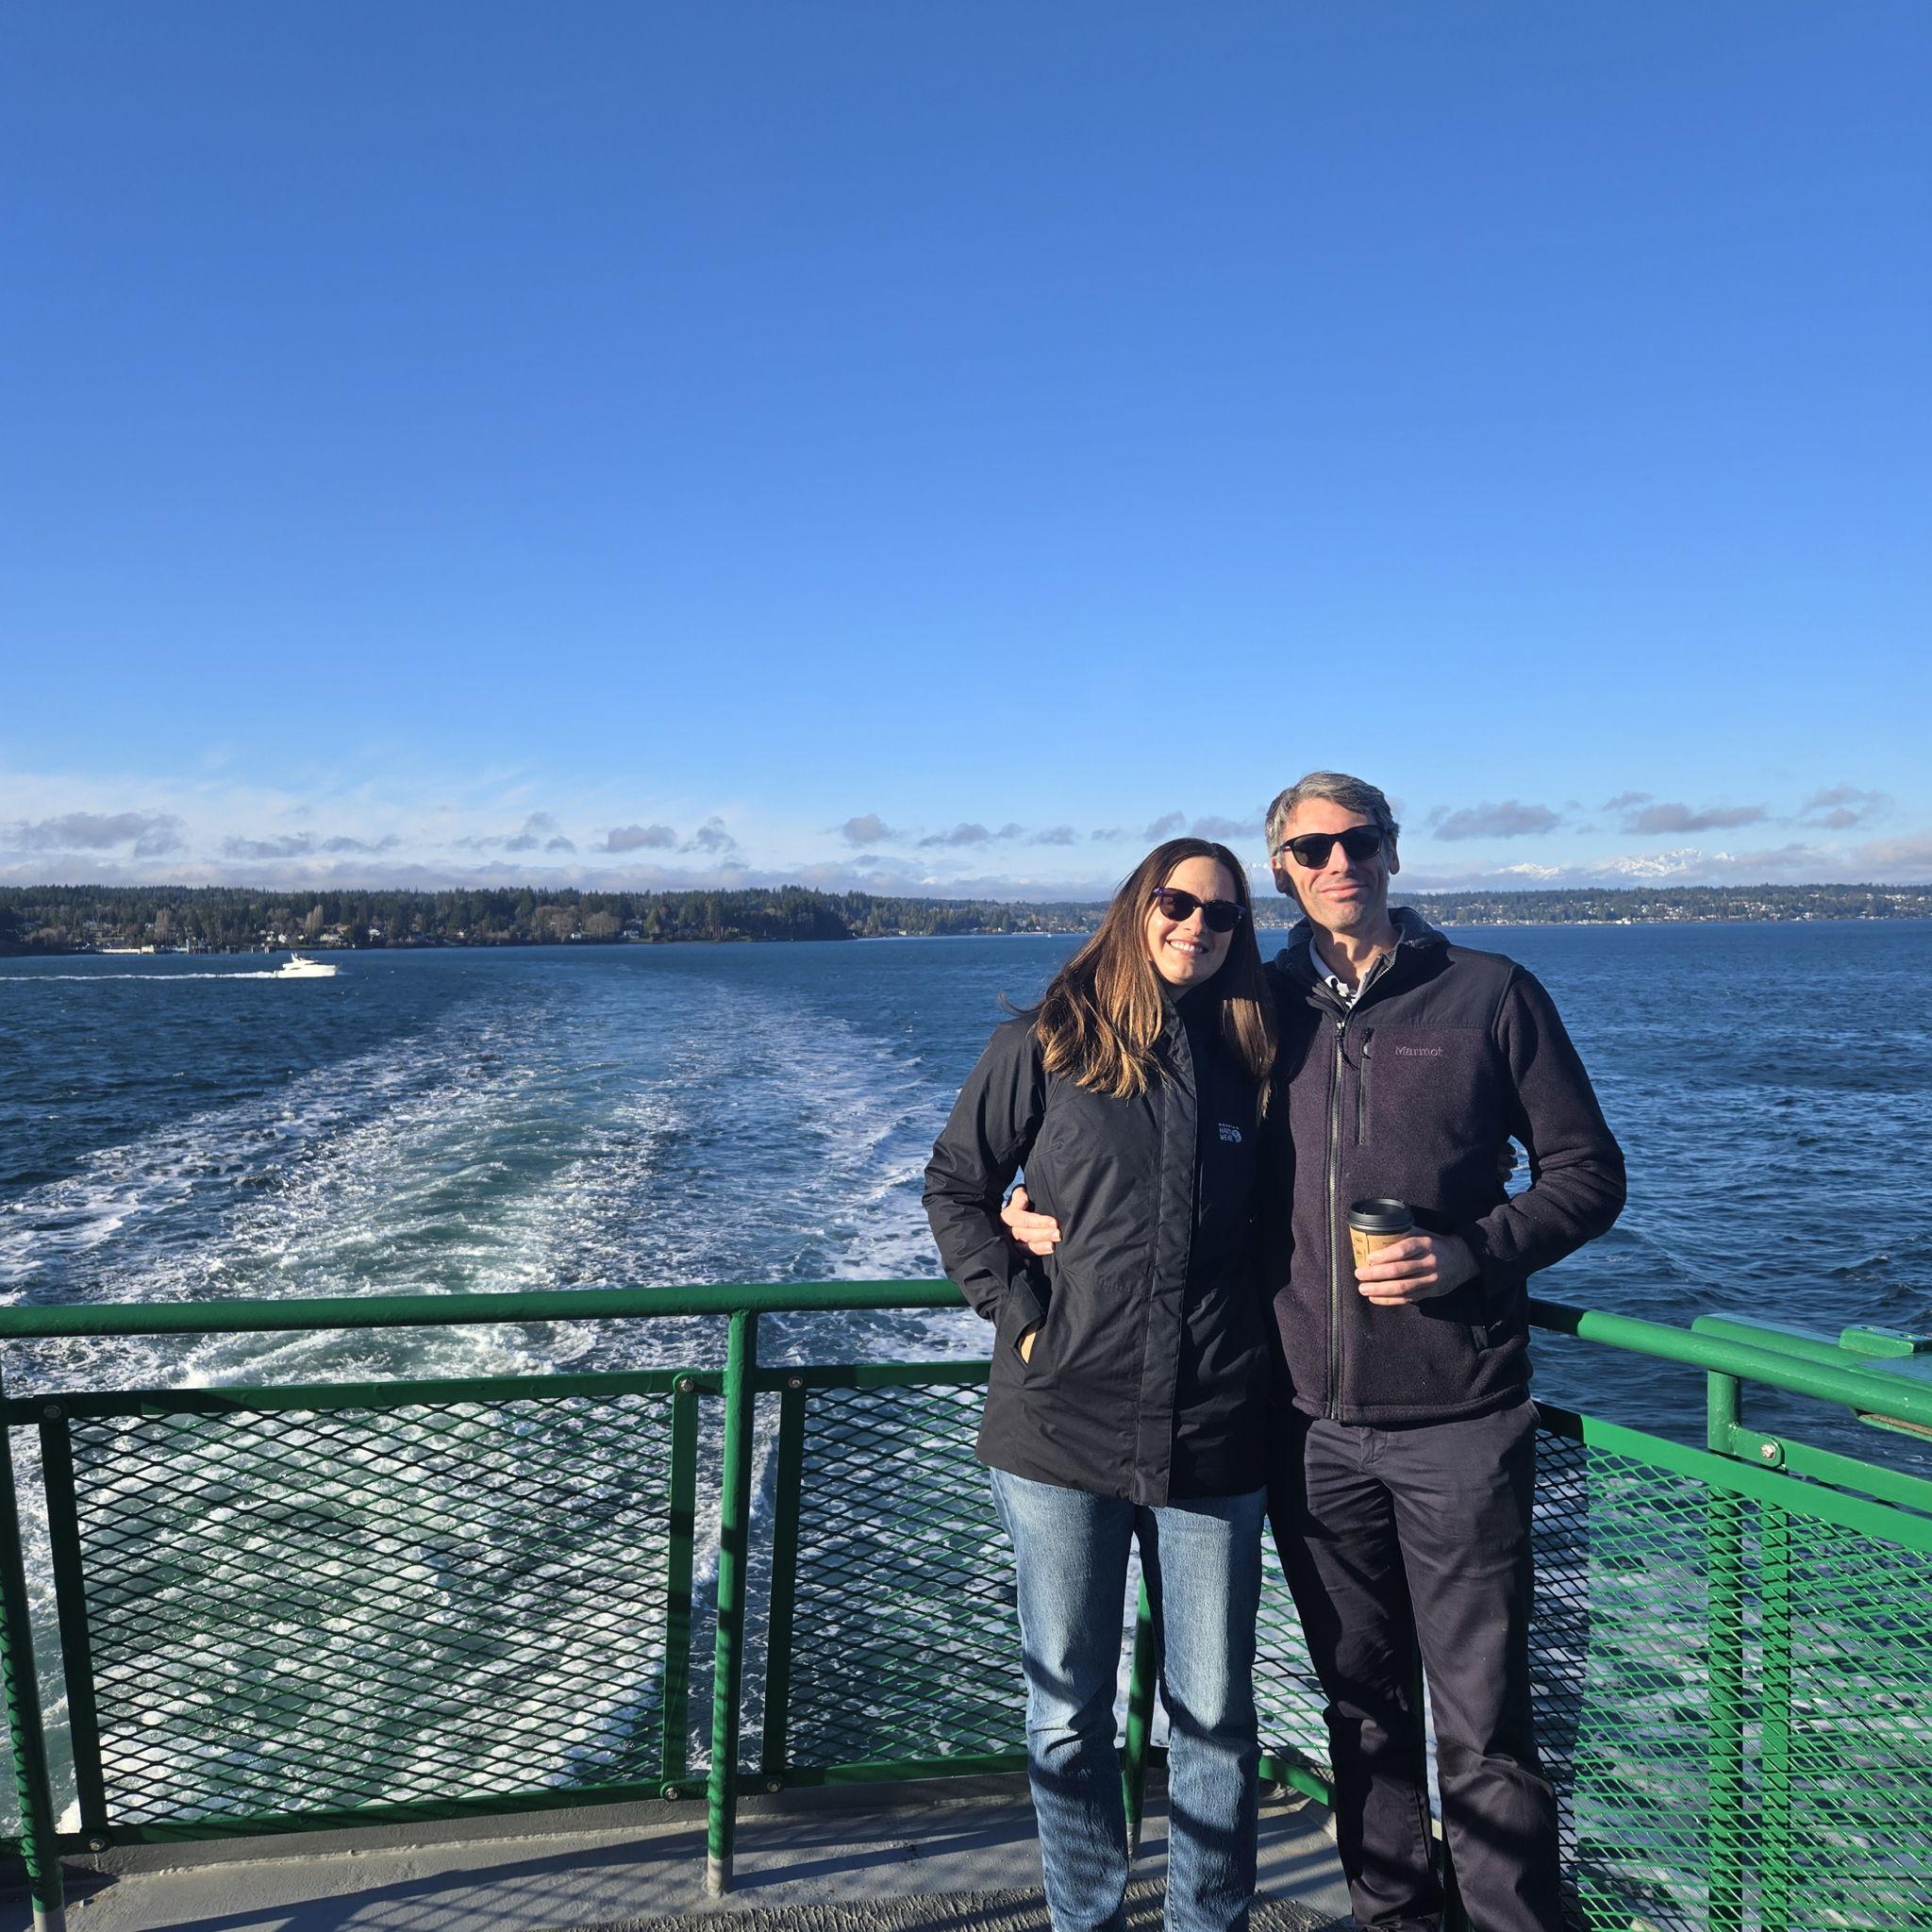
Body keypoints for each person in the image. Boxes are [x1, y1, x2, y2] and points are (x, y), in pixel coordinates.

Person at [1008, 774, 1626, 1932]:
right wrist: (1020, 1204)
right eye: (1310, 847)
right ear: (1281, 867)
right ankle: (1393, 1917)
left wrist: (1471, 1251)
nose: (1338, 861)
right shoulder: (1249, 1003)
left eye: (1358, 840)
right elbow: (1117, 1117)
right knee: (1358, 1706)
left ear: (1392, 850)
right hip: (1298, 1423)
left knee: (1484, 1723)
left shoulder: (1490, 993)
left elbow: (1588, 1173)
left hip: (1458, 1416)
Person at [924, 839, 1278, 1932]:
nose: (1196, 927)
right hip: (1058, 1427)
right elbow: (955, 1189)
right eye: (1176, 903)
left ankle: (1203, 1923)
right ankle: (1086, 1918)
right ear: (1136, 908)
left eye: (1220, 915)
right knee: (1065, 1712)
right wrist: (1024, 1317)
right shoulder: (1042, 1045)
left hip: (1211, 1427)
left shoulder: (1252, 1061)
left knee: (1214, 1715)